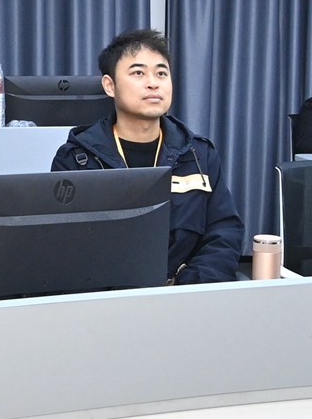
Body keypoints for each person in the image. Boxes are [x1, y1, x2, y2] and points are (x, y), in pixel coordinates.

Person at [51, 29, 246, 285]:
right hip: (107, 299)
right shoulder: (76, 159)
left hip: (187, 294)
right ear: (110, 85)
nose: (153, 83)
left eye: (161, 73)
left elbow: (224, 232)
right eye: (138, 73)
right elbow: (65, 245)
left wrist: (189, 287)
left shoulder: (199, 155)